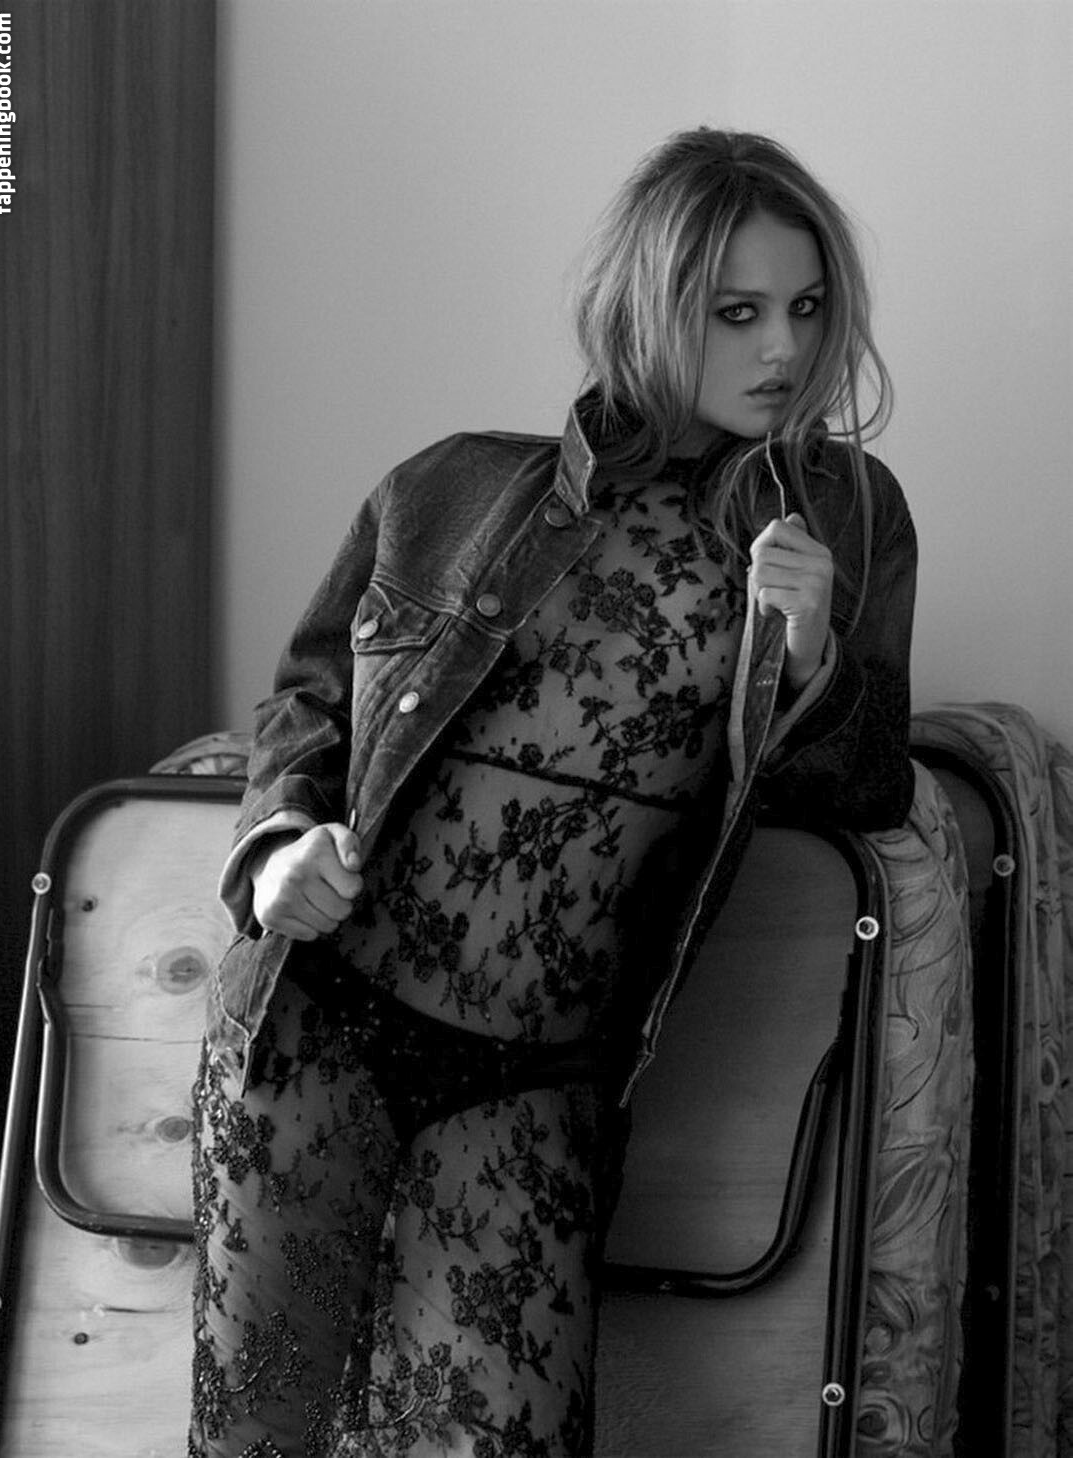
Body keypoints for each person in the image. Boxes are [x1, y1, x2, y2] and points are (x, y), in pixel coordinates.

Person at [187, 127, 916, 1458]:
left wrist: (810, 658)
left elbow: (866, 784)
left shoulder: (845, 518)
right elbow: (307, 702)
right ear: (650, 306)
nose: (783, 349)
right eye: (736, 311)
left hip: (533, 1083)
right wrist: (274, 846)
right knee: (258, 1437)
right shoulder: (451, 486)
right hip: (315, 1025)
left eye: (807, 308)